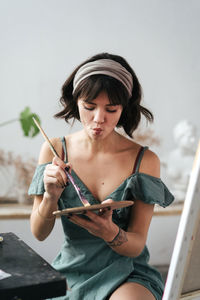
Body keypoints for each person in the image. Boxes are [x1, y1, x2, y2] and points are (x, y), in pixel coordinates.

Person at [28, 52, 174, 300]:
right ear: (77, 102)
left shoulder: (145, 161)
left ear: (123, 109)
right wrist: (51, 197)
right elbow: (39, 233)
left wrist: (109, 232)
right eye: (89, 107)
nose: (98, 119)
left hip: (129, 273)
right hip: (71, 274)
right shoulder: (55, 150)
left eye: (111, 109)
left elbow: (137, 243)